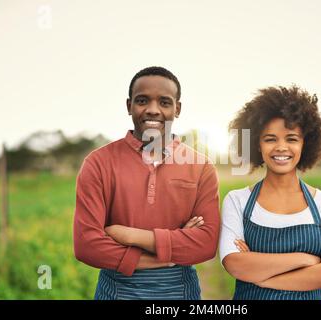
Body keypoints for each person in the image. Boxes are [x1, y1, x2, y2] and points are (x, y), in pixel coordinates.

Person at [73, 66, 220, 300]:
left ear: (177, 108)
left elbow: (206, 244)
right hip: (117, 290)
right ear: (129, 105)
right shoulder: (98, 163)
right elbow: (87, 246)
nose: (153, 110)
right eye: (142, 101)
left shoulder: (201, 167)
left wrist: (129, 235)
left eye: (164, 102)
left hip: (179, 292)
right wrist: (169, 256)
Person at [219, 85, 321, 300]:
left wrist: (260, 277)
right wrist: (304, 259)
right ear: (257, 144)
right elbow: (235, 264)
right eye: (270, 139)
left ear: (305, 144)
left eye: (291, 139)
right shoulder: (237, 200)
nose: (281, 147)